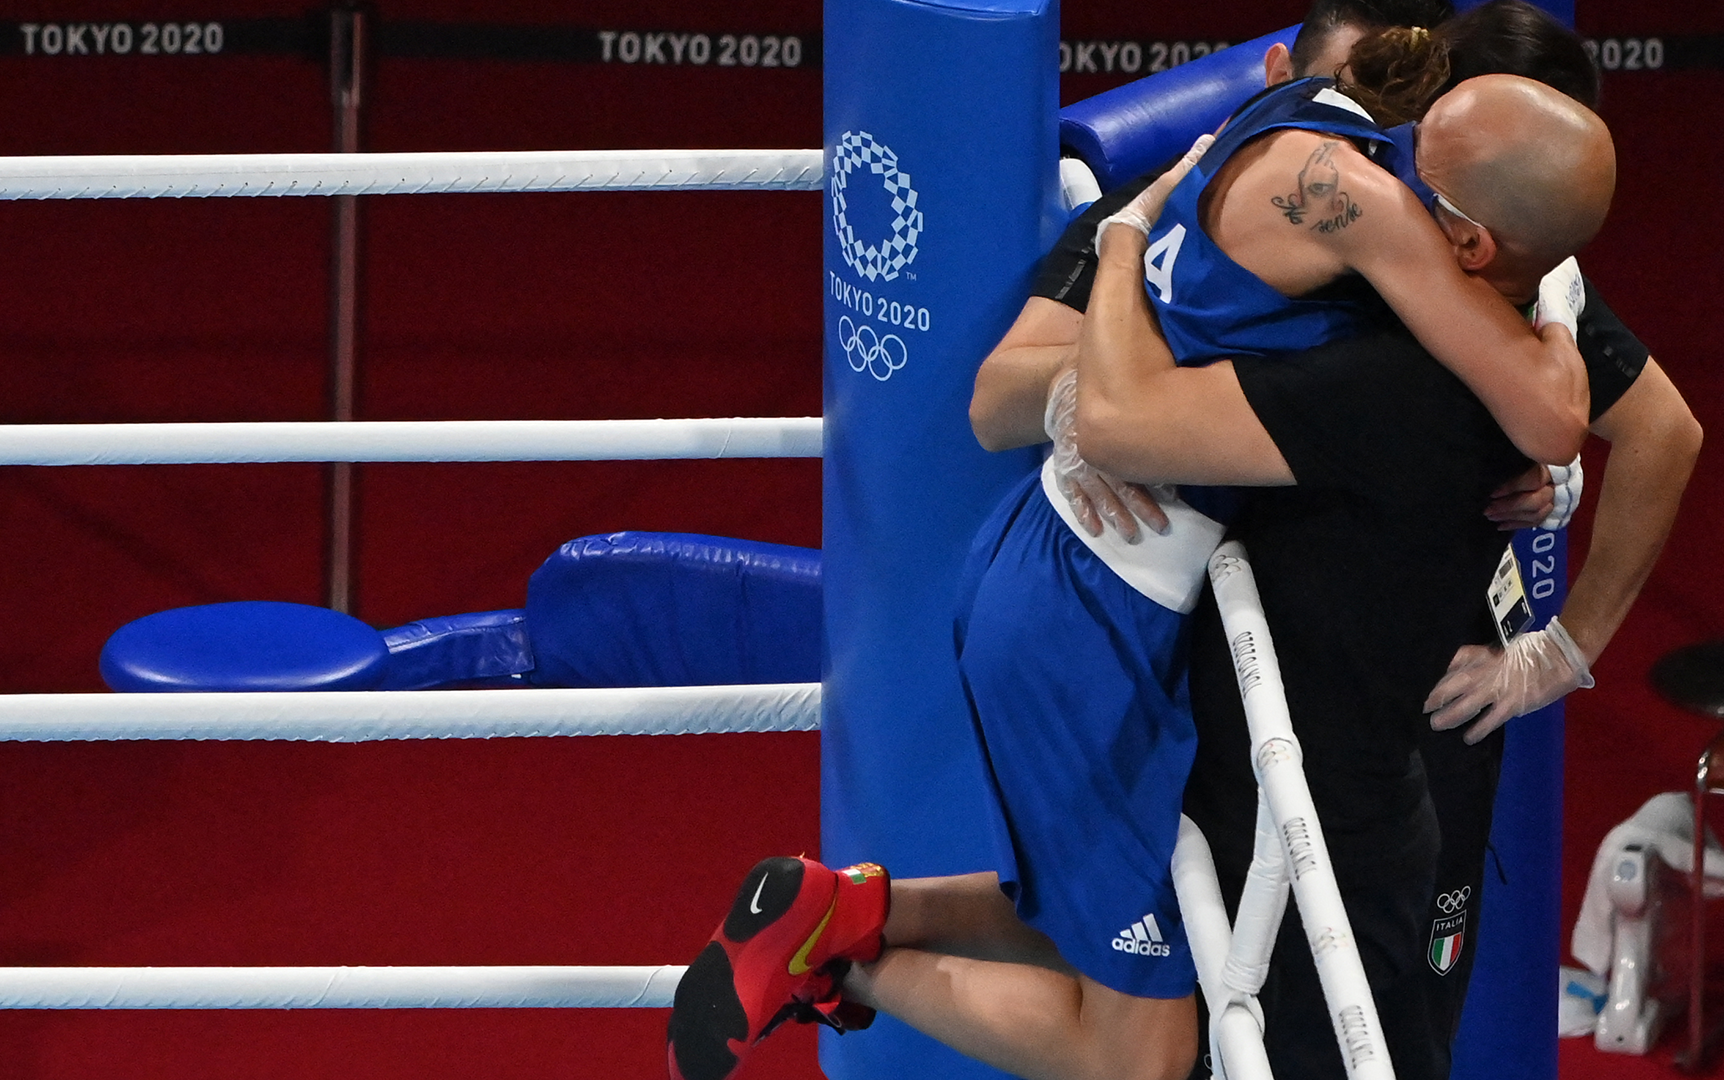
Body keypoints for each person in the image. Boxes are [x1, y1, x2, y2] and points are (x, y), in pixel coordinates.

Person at [665, 6, 1619, 1080]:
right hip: (1088, 613)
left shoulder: (1265, 141)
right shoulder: (1372, 209)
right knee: (1144, 1055)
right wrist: (1557, 305)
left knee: (1152, 929)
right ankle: (833, 961)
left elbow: (1608, 420)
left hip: (1101, 594)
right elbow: (1550, 410)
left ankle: (840, 911)